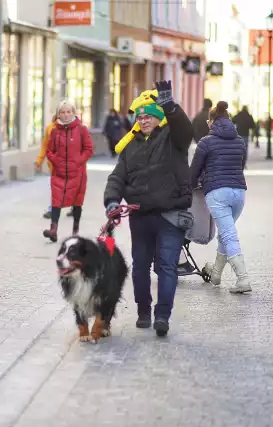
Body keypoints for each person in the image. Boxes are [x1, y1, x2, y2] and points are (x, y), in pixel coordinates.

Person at [104, 81, 194, 337]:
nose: (143, 121)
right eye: (140, 117)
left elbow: (184, 128)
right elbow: (117, 177)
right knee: (140, 266)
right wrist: (112, 199)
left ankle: (162, 315)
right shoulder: (130, 145)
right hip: (140, 216)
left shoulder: (173, 139)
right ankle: (144, 310)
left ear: (158, 118)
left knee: (166, 266)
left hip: (170, 215)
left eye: (148, 116)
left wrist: (168, 104)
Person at [189, 101, 251, 294]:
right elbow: (239, 166)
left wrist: (189, 188)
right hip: (239, 193)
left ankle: (243, 278)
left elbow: (194, 172)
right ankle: (215, 273)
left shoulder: (206, 142)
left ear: (211, 121)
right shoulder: (240, 141)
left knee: (228, 234)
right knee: (226, 233)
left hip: (217, 193)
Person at [43, 100, 94, 242]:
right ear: (58, 114)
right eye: (62, 112)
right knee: (56, 200)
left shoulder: (82, 129)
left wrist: (77, 162)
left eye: (68, 112)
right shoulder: (54, 131)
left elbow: (89, 150)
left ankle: (75, 230)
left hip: (77, 173)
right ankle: (53, 229)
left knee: (77, 201)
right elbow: (49, 150)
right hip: (59, 173)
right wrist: (56, 161)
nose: (65, 115)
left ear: (73, 113)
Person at [35, 114, 57, 219]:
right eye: (62, 112)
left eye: (67, 112)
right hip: (54, 165)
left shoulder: (74, 128)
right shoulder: (50, 128)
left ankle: (75, 207)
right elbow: (45, 146)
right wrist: (39, 160)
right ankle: (52, 210)